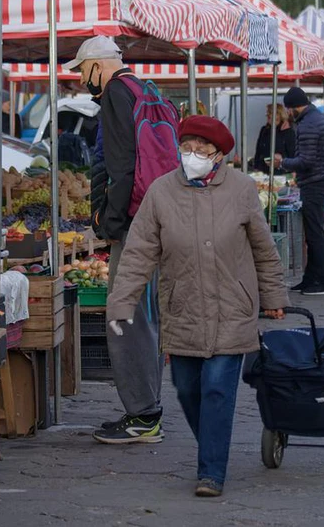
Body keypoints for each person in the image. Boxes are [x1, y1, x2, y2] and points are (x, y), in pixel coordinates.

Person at [106, 116, 288, 498]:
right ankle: (212, 446)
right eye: (186, 148)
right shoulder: (160, 192)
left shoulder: (241, 189)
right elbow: (138, 253)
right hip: (182, 307)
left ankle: (211, 473)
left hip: (233, 307)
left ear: (219, 156)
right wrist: (121, 303)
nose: (192, 156)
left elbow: (263, 249)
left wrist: (273, 298)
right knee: (188, 389)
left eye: (201, 151)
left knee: (218, 389)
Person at [67, 36, 177, 444]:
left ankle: (143, 415)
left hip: (132, 223)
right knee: (144, 316)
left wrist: (108, 222)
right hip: (155, 216)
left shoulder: (116, 93)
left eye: (81, 71)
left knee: (124, 314)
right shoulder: (142, 88)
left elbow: (121, 167)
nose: (81, 80)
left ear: (98, 65)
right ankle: (148, 408)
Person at [277, 87, 324, 295]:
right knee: (313, 233)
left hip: (315, 183)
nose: (288, 114)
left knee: (315, 235)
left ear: (293, 107)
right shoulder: (319, 118)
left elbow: (306, 160)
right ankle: (310, 279)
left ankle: (323, 282)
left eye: (289, 109)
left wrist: (283, 162)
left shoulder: (308, 124)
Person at [252, 104, 296, 173]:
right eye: (267, 112)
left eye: (270, 112)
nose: (267, 115)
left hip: (281, 172)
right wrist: (256, 167)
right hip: (263, 171)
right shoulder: (264, 130)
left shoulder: (288, 132)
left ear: (279, 115)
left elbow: (292, 155)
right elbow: (258, 151)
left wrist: (282, 158)